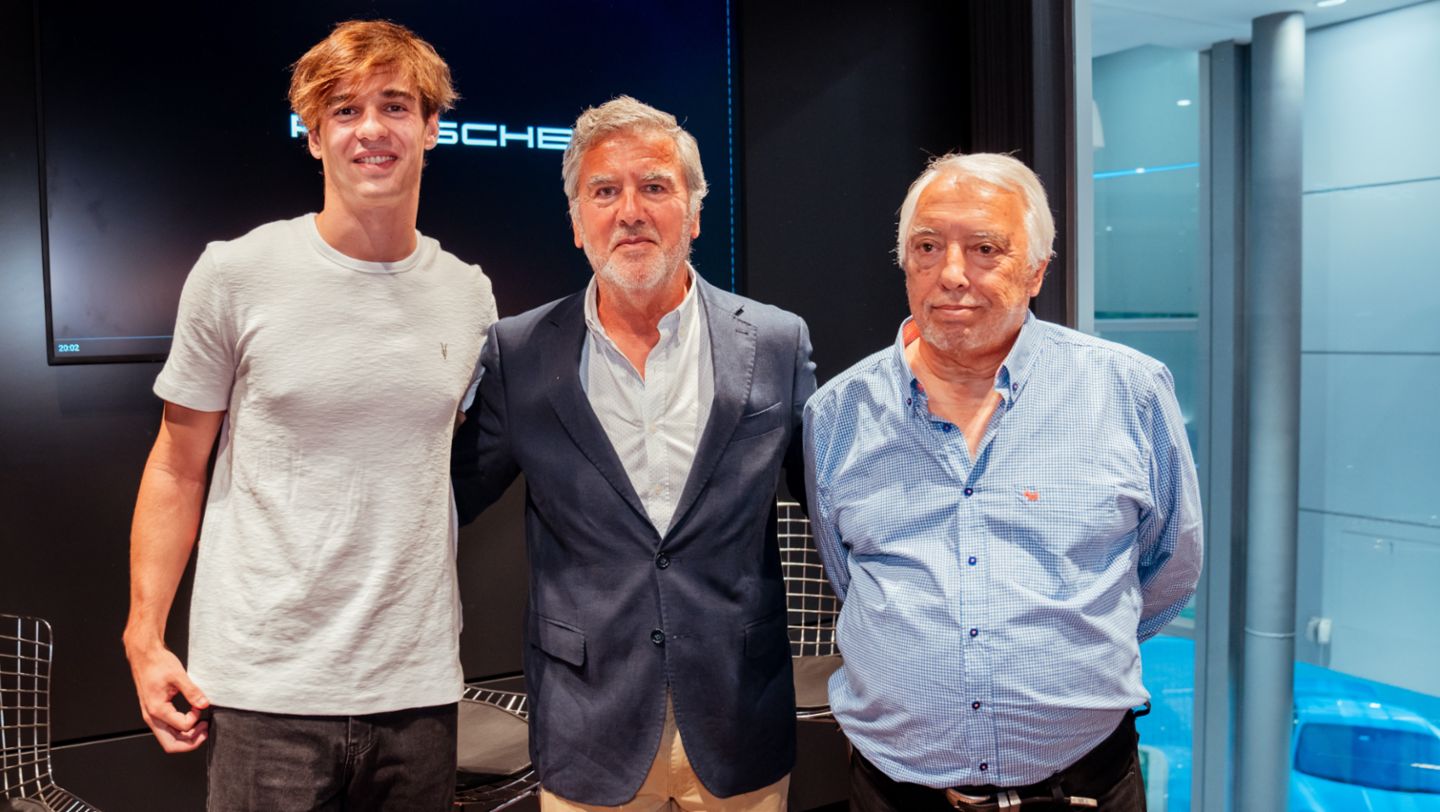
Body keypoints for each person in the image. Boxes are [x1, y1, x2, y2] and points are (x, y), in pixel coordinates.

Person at [121, 20, 496, 810]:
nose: (372, 130)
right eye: (344, 111)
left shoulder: (469, 294)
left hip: (417, 688)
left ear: (432, 128)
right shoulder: (236, 273)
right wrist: (144, 635)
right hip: (264, 690)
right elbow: (175, 464)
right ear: (314, 134)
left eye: (395, 106)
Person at [803, 152, 1202, 811]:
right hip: (895, 796)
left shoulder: (1128, 391)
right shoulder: (838, 413)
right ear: (905, 263)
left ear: (1038, 268)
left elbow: (1168, 571)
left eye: (984, 248)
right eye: (927, 247)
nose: (951, 274)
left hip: (1084, 789)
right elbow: (846, 578)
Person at [451, 95, 815, 811]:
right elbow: (442, 503)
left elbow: (839, 511)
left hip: (741, 723)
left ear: (695, 212)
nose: (631, 211)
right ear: (578, 221)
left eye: (655, 187)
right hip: (589, 726)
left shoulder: (775, 342)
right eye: (605, 191)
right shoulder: (519, 354)